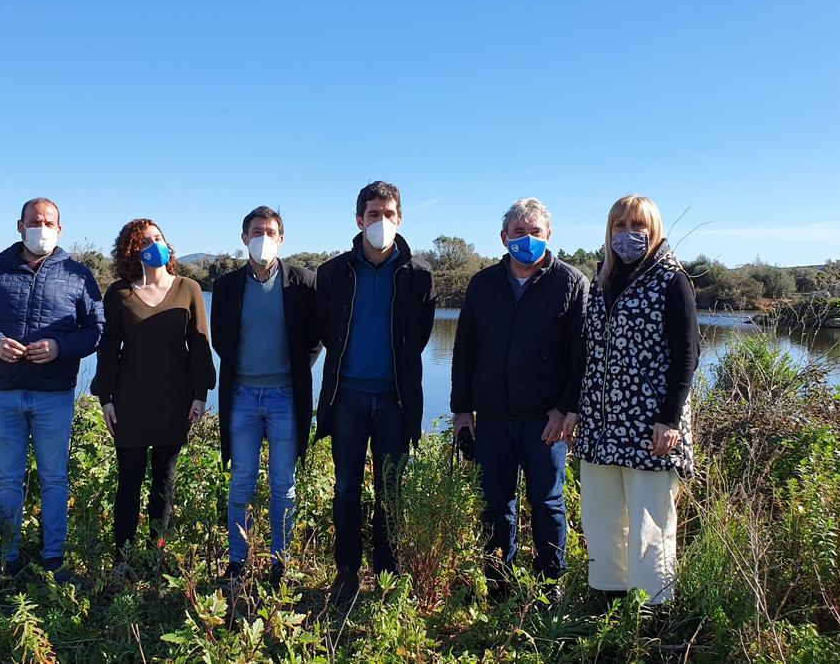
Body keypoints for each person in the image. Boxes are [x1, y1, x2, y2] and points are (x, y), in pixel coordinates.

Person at [0, 198, 104, 582]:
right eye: (34, 221)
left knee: (54, 478)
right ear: (19, 226)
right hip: (2, 392)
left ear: (60, 228)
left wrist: (59, 347)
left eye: (49, 221)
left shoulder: (78, 275)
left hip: (53, 393)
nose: (42, 227)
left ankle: (53, 558)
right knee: (7, 478)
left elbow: (95, 330)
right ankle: (6, 559)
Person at [450, 198, 588, 599]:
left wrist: (566, 409)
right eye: (518, 233)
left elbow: (581, 355)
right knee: (495, 506)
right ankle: (498, 586)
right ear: (503, 237)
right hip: (492, 418)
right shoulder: (482, 284)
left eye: (535, 233)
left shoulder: (571, 283)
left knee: (547, 504)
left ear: (548, 236)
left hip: (545, 421)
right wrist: (462, 410)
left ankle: (549, 585)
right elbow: (465, 350)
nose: (526, 240)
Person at [568, 195, 699, 605]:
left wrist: (669, 420)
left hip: (651, 429)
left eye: (637, 226)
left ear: (653, 230)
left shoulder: (671, 279)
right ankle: (608, 607)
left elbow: (687, 355)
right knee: (603, 521)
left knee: (650, 527)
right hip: (601, 426)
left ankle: (653, 614)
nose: (628, 235)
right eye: (619, 226)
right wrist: (574, 409)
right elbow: (585, 352)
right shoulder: (603, 279)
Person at [314, 181, 436, 606]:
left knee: (391, 490)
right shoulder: (333, 273)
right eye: (372, 214)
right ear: (358, 220)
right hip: (346, 398)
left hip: (395, 402)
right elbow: (327, 330)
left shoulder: (419, 275)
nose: (380, 222)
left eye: (388, 214)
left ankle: (386, 574)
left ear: (399, 218)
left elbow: (418, 338)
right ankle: (346, 572)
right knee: (346, 487)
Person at [91, 219, 215, 574]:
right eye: (144, 241)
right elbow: (108, 349)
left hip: (174, 402)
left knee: (164, 481)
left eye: (158, 238)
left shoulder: (188, 288)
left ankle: (156, 556)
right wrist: (106, 398)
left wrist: (200, 394)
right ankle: (124, 560)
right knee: (128, 481)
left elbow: (200, 346)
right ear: (131, 250)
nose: (153, 244)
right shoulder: (119, 293)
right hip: (130, 403)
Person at [210, 206, 320, 586]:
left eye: (271, 231)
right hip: (241, 396)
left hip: (285, 397)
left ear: (281, 238)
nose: (264, 237)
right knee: (241, 480)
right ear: (244, 238)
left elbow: (314, 337)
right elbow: (222, 339)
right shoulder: (226, 287)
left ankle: (280, 562)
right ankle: (237, 562)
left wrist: (295, 367)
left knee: (282, 484)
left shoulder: (303, 283)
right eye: (257, 231)